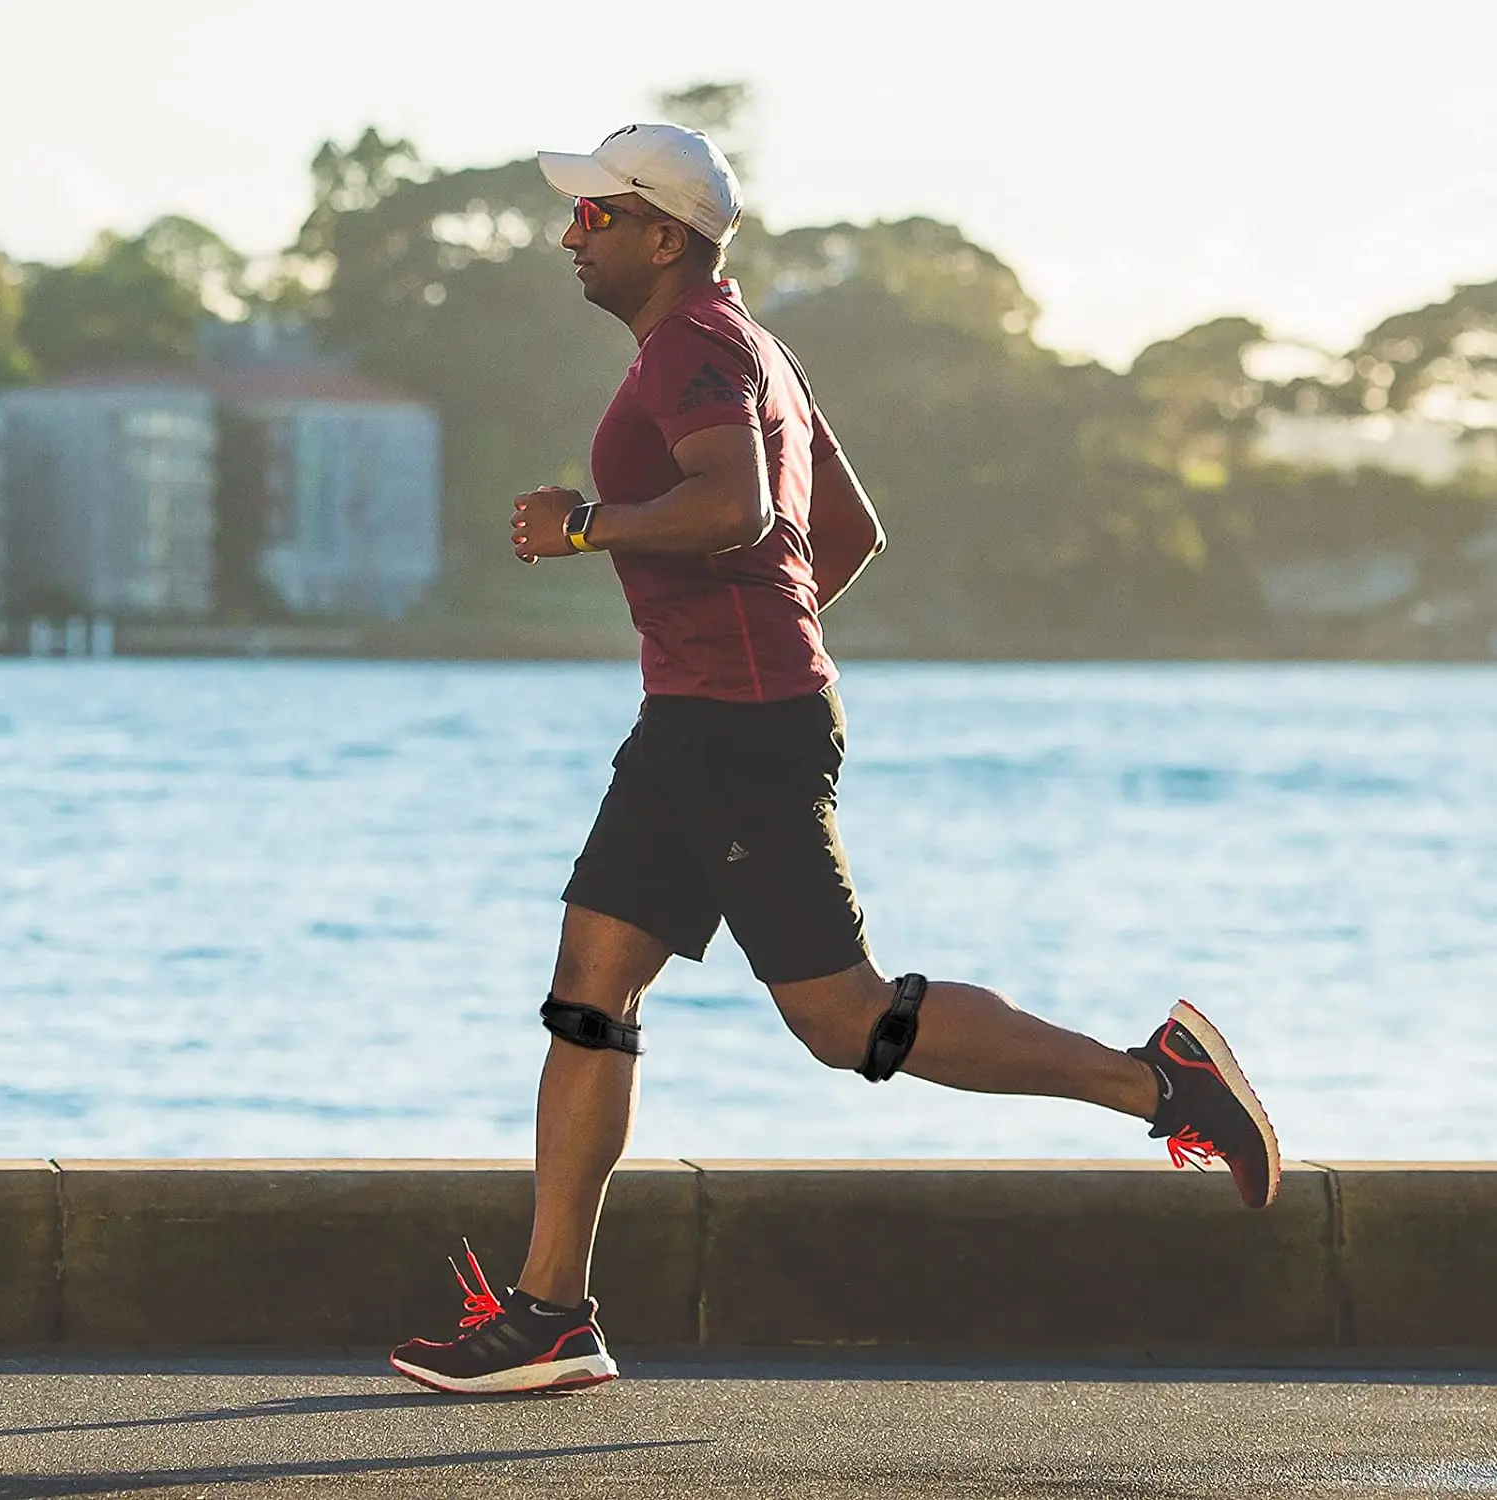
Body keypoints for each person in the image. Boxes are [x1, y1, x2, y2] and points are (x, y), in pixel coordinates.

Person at [389, 123, 1279, 1396]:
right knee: (593, 984)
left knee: (844, 1019)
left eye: (596, 216)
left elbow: (743, 511)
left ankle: (1160, 1083)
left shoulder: (698, 348)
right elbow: (844, 531)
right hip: (712, 720)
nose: (571, 234)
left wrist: (590, 527)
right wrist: (761, 639)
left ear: (664, 234)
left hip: (733, 732)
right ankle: (552, 1313)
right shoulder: (757, 349)